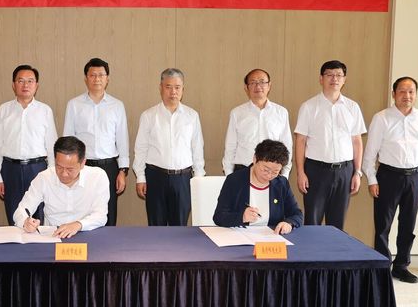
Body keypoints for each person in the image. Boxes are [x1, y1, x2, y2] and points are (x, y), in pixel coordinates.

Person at [363, 77, 418, 283]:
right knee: (383, 225)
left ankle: (402, 266)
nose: (407, 96)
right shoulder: (382, 118)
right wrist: (372, 179)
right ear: (394, 94)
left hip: (415, 177)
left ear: (416, 94)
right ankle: (381, 265)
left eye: (411, 91)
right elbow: (370, 153)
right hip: (388, 176)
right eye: (402, 91)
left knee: (408, 224)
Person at [294, 60, 366, 230]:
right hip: (316, 171)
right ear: (321, 78)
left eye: (339, 75)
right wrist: (300, 172)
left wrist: (357, 172)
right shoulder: (309, 107)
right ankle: (312, 249)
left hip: (344, 171)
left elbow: (357, 141)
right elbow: (300, 141)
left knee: (337, 224)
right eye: (330, 75)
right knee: (312, 222)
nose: (334, 79)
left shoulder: (352, 107)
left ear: (344, 79)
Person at [133, 68, 205, 226]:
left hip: (183, 178)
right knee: (156, 227)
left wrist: (198, 178)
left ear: (183, 89)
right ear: (160, 88)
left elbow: (197, 148)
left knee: (179, 227)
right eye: (168, 87)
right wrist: (140, 177)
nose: (173, 92)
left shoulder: (192, 116)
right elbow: (141, 148)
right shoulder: (149, 116)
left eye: (177, 87)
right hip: (155, 177)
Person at [0, 64, 58, 226]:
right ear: (13, 85)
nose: (25, 85)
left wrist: (51, 175)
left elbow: (52, 145)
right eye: (21, 81)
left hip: (38, 169)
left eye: (30, 81)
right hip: (10, 170)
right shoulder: (4, 110)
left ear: (36, 85)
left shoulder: (45, 110)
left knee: (39, 217)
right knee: (15, 217)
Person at [64, 57, 129, 225]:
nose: (97, 79)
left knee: (108, 211)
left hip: (109, 167)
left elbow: (122, 140)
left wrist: (122, 171)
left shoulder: (117, 105)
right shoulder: (74, 105)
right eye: (92, 75)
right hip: (82, 167)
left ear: (107, 79)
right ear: (86, 78)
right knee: (81, 210)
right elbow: (68, 140)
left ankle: (108, 242)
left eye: (101, 75)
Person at [13, 136, 109, 239]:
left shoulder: (98, 177)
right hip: (53, 235)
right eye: (59, 167)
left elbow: (101, 215)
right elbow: (20, 211)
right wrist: (25, 222)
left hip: (86, 232)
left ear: (82, 163)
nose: (64, 174)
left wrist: (78, 224)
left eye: (70, 169)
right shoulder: (44, 178)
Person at [213, 139, 302, 233]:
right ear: (255, 159)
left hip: (271, 236)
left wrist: (288, 223)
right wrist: (242, 217)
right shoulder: (235, 180)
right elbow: (219, 217)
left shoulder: (281, 184)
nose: (269, 175)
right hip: (240, 235)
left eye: (275, 172)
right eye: (265, 170)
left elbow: (297, 214)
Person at [223, 68, 293, 178]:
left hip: (272, 172)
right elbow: (230, 147)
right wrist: (229, 175)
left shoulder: (281, 112)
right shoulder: (237, 113)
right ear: (246, 87)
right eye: (253, 82)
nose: (258, 86)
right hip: (243, 170)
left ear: (269, 85)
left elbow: (287, 145)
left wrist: (285, 174)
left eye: (262, 82)